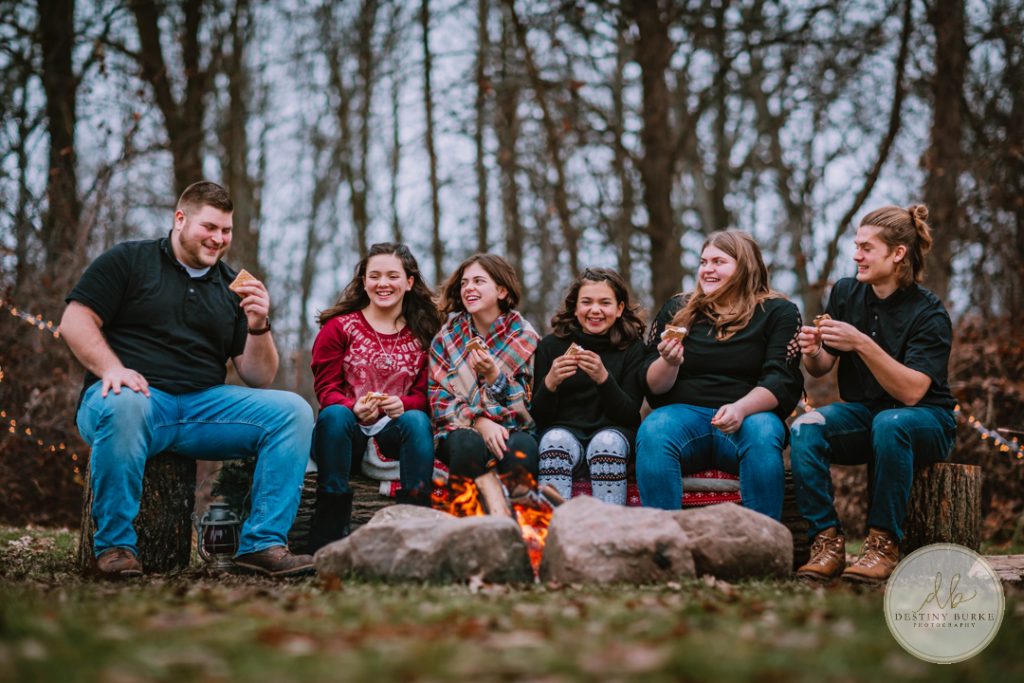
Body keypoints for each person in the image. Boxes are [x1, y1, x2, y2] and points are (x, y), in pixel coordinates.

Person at [60, 181, 314, 579]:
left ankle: (262, 545)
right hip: (128, 401)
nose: (218, 239)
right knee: (127, 401)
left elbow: (258, 375)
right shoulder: (129, 260)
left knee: (292, 411)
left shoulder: (232, 286)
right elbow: (75, 320)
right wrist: (112, 369)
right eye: (209, 227)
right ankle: (113, 548)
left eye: (226, 230)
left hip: (200, 409)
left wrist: (260, 325)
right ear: (180, 219)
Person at [791, 205, 957, 584]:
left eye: (867, 247)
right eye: (856, 245)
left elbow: (913, 392)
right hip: (865, 415)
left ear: (897, 253)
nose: (856, 255)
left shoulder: (928, 313)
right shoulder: (847, 292)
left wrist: (862, 343)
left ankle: (883, 545)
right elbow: (822, 368)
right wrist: (813, 350)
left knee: (891, 421)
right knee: (808, 426)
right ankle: (827, 542)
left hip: (926, 421)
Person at [636, 230, 803, 520]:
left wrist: (740, 409)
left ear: (744, 265)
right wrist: (669, 362)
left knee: (763, 431)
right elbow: (653, 386)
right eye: (703, 262)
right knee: (654, 429)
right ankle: (664, 547)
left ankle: (761, 548)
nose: (707, 269)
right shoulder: (678, 309)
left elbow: (781, 380)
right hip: (683, 419)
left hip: (749, 417)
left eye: (718, 261)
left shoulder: (779, 311)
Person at [307, 243, 442, 552]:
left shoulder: (425, 334)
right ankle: (327, 537)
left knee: (417, 419)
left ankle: (417, 529)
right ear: (364, 281)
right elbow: (326, 389)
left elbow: (426, 395)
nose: (383, 283)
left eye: (393, 276)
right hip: (345, 434)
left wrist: (403, 405)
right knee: (335, 415)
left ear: (409, 282)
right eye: (375, 276)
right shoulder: (338, 328)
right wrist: (352, 408)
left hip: (393, 435)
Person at [532, 268, 646, 505]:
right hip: (563, 434)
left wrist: (604, 379)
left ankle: (609, 529)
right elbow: (539, 419)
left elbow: (629, 416)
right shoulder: (551, 346)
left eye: (605, 302)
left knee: (607, 443)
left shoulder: (632, 348)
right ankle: (554, 529)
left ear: (619, 309)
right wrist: (550, 383)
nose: (595, 310)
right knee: (554, 440)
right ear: (575, 308)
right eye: (587, 302)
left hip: (613, 435)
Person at [429, 254, 540, 485]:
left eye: (478, 281)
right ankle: (465, 518)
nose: (469, 288)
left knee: (522, 449)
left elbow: (529, 408)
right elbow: (438, 399)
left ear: (502, 291)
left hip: (514, 428)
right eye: (464, 283)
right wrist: (480, 422)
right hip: (458, 427)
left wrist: (494, 376)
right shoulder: (446, 339)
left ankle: (518, 518)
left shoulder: (525, 338)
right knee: (468, 445)